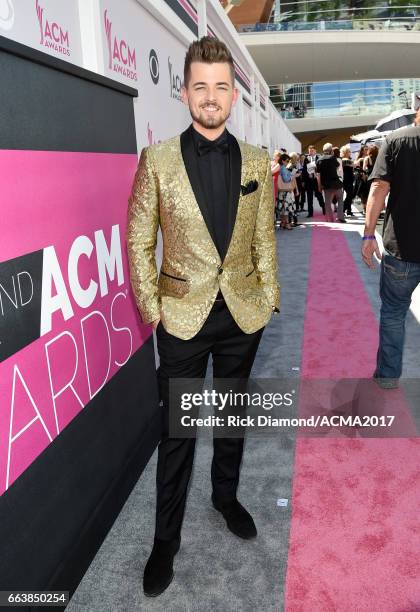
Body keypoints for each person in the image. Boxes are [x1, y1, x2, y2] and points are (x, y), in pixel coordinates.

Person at [126, 36, 280, 597]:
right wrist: (154, 312)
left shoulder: (259, 162)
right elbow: (139, 239)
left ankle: (225, 495)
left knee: (234, 417)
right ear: (185, 91)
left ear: (233, 95)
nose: (210, 97)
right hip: (182, 320)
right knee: (178, 434)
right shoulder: (158, 160)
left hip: (243, 314)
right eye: (200, 87)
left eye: (220, 87)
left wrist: (269, 300)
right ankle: (165, 541)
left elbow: (264, 237)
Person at [361, 108, 420, 389]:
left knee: (394, 313)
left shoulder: (396, 140)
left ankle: (387, 377)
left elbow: (379, 188)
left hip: (402, 246)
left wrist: (368, 234)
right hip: (401, 248)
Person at [316, 143, 346, 223]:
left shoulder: (319, 160)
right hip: (336, 182)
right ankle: (340, 217)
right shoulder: (333, 158)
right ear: (331, 150)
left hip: (326, 184)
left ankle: (330, 219)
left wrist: (319, 185)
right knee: (340, 199)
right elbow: (337, 166)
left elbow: (318, 175)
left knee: (327, 202)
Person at [302, 145, 325, 217]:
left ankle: (323, 207)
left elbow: (322, 169)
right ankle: (310, 212)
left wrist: (317, 174)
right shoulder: (306, 159)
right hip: (309, 181)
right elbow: (304, 170)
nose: (310, 152)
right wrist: (304, 179)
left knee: (319, 195)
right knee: (309, 197)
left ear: (315, 151)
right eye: (309, 151)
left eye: (312, 151)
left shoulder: (319, 158)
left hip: (316, 180)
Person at [276, 153, 298, 229]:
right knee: (286, 208)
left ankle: (283, 223)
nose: (288, 162)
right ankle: (287, 223)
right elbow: (286, 180)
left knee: (283, 207)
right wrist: (293, 176)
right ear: (283, 161)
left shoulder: (280, 168)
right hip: (286, 191)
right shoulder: (283, 169)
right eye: (287, 160)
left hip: (282, 191)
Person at [340, 145, 355, 216]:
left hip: (348, 179)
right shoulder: (344, 160)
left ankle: (349, 210)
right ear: (345, 152)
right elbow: (354, 165)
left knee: (349, 194)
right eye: (349, 151)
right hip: (347, 179)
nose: (350, 153)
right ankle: (343, 208)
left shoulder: (346, 159)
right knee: (350, 194)